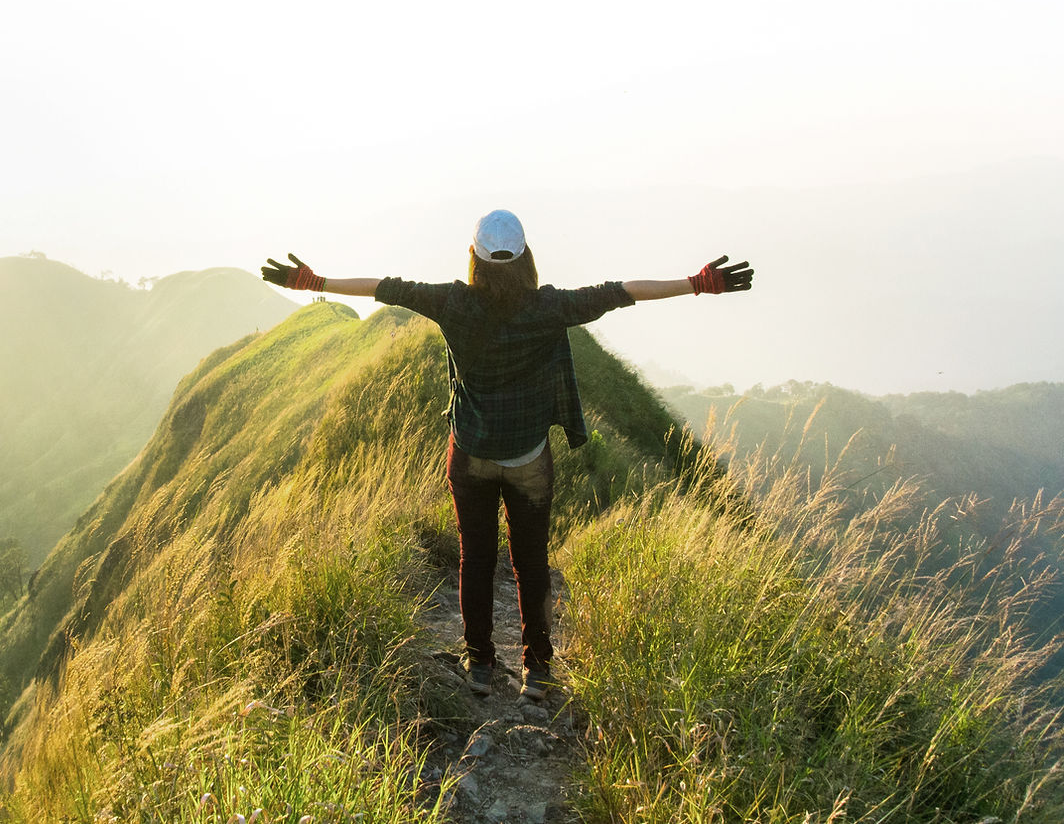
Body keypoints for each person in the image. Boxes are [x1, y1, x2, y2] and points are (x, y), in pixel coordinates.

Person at [261, 209, 754, 701]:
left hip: (471, 454)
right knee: (531, 563)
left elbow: (381, 287)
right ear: (526, 259)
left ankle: (479, 664)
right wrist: (696, 283)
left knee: (475, 559)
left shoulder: (452, 302)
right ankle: (537, 671)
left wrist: (314, 280)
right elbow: (622, 292)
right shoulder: (549, 308)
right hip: (527, 458)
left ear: (473, 257)